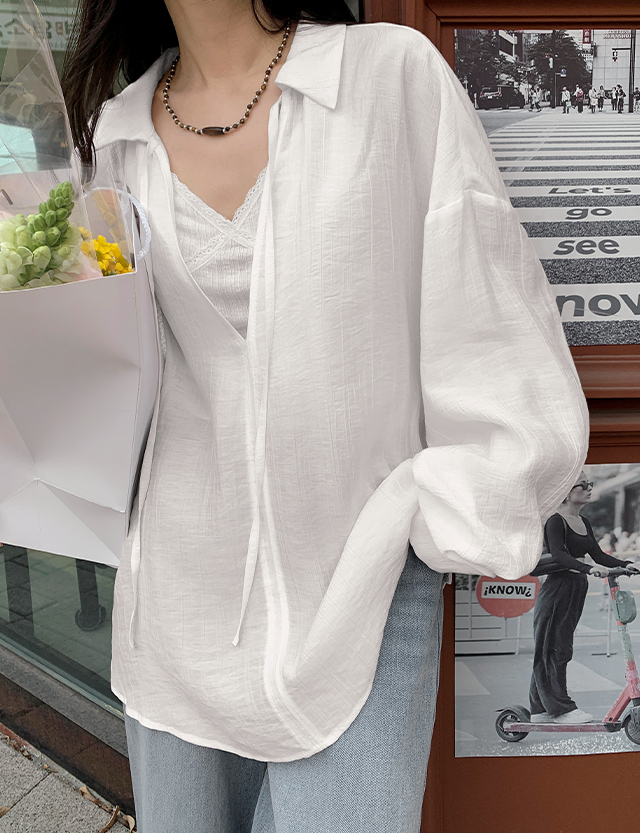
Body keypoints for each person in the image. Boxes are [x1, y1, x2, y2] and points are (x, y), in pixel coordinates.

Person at [62, 3, 589, 831]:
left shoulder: (386, 76)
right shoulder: (115, 137)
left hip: (362, 586)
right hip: (177, 598)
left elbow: (491, 324)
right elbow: (114, 373)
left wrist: (435, 517)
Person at [529, 474, 632, 724]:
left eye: (590, 485)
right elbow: (559, 555)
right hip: (558, 587)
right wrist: (588, 569)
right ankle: (559, 709)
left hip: (576, 586)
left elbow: (597, 554)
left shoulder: (583, 521)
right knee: (554, 647)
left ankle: (540, 709)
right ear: (566, 491)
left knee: (557, 645)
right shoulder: (555, 521)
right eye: (582, 485)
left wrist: (625, 565)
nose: (588, 488)